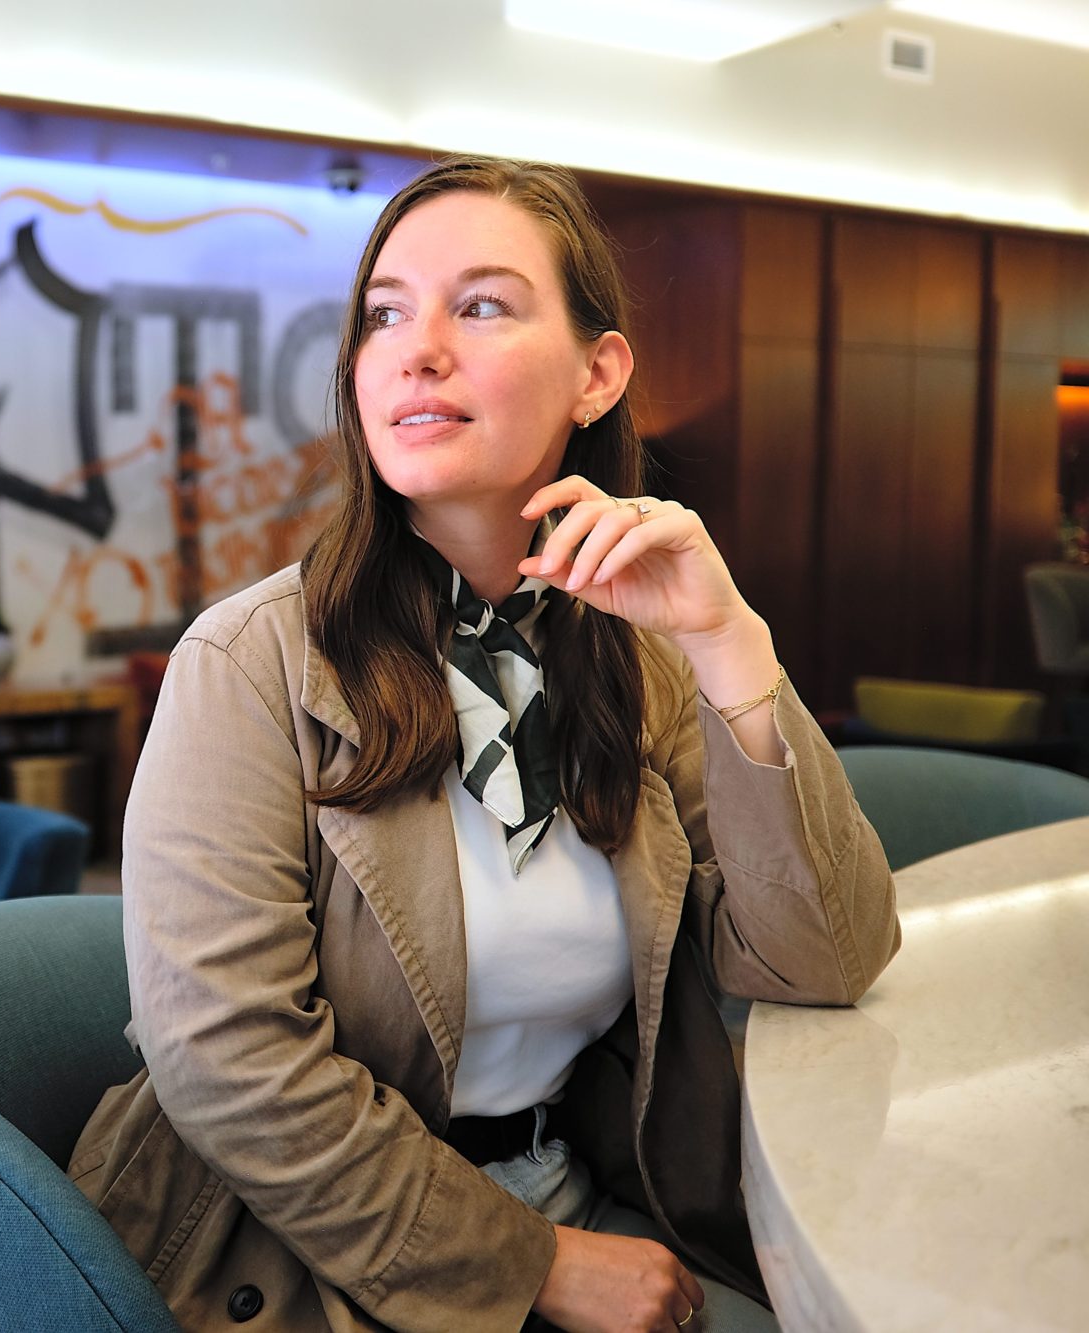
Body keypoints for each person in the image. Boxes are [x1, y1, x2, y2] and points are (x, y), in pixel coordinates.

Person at [68, 155, 900, 1333]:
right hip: (294, 1245)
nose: (415, 348)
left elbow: (827, 955)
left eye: (481, 304)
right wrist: (534, 1264)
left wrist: (727, 642)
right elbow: (230, 1066)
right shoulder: (246, 661)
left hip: (580, 1187)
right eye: (383, 314)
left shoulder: (632, 658)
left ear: (595, 374)